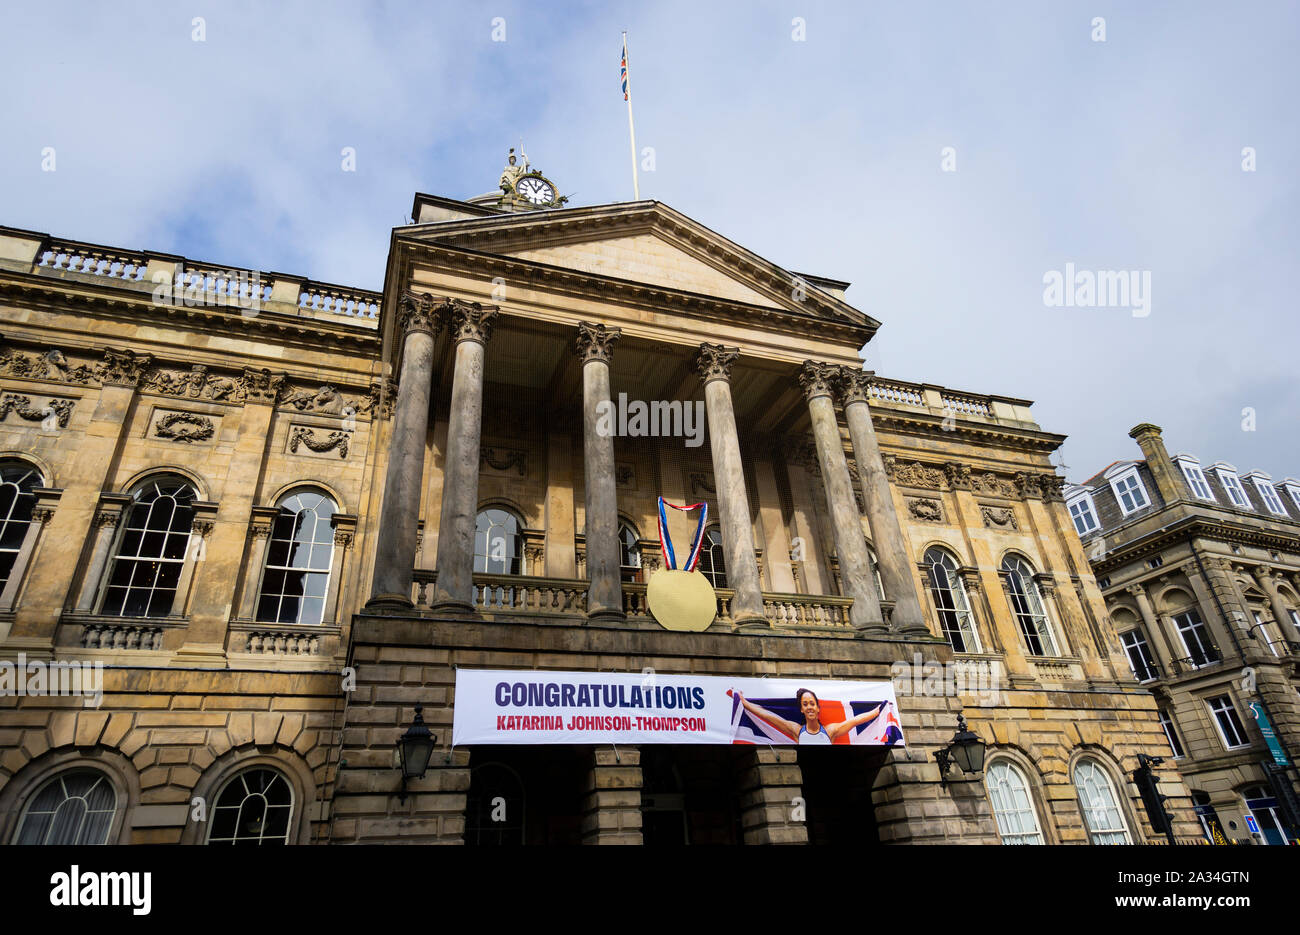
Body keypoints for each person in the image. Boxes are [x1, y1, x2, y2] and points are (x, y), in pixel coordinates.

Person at [735, 688, 885, 745]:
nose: (809, 707)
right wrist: (745, 703)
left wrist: (878, 710)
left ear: (818, 708)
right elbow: (769, 716)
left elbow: (855, 720)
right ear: (801, 710)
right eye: (805, 704)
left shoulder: (830, 731)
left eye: (812, 703)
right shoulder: (796, 730)